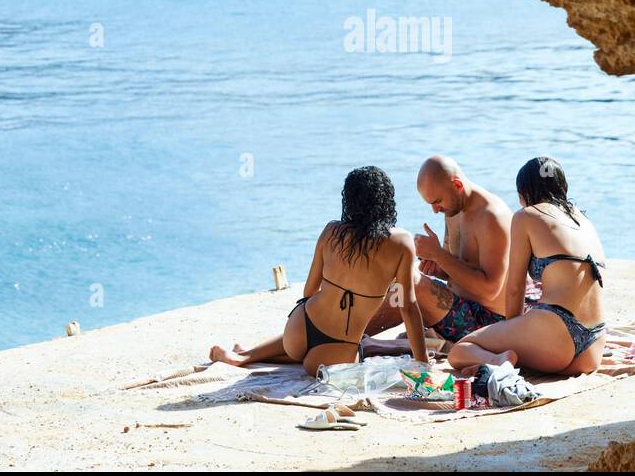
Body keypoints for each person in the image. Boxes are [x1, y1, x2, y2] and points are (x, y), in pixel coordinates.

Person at [209, 166, 428, 374]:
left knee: (301, 348)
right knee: (343, 354)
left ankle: (245, 356)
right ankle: (246, 356)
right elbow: (407, 308)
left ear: (349, 200)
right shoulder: (402, 243)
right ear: (387, 201)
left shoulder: (332, 231)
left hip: (299, 328)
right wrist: (423, 365)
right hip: (337, 349)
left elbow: (309, 291)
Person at [447, 157, 608, 376]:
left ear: (524, 192)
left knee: (460, 351)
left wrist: (510, 332)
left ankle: (499, 359)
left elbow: (515, 288)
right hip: (592, 349)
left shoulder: (526, 216)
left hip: (555, 339)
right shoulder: (585, 220)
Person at [363, 155, 512, 346]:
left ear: (457, 185)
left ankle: (341, 338)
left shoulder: (492, 217)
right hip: (458, 305)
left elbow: (490, 289)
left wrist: (438, 255)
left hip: (487, 321)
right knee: (397, 274)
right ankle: (343, 330)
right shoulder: (452, 209)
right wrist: (437, 268)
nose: (435, 210)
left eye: (438, 201)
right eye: (431, 204)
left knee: (411, 285)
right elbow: (457, 268)